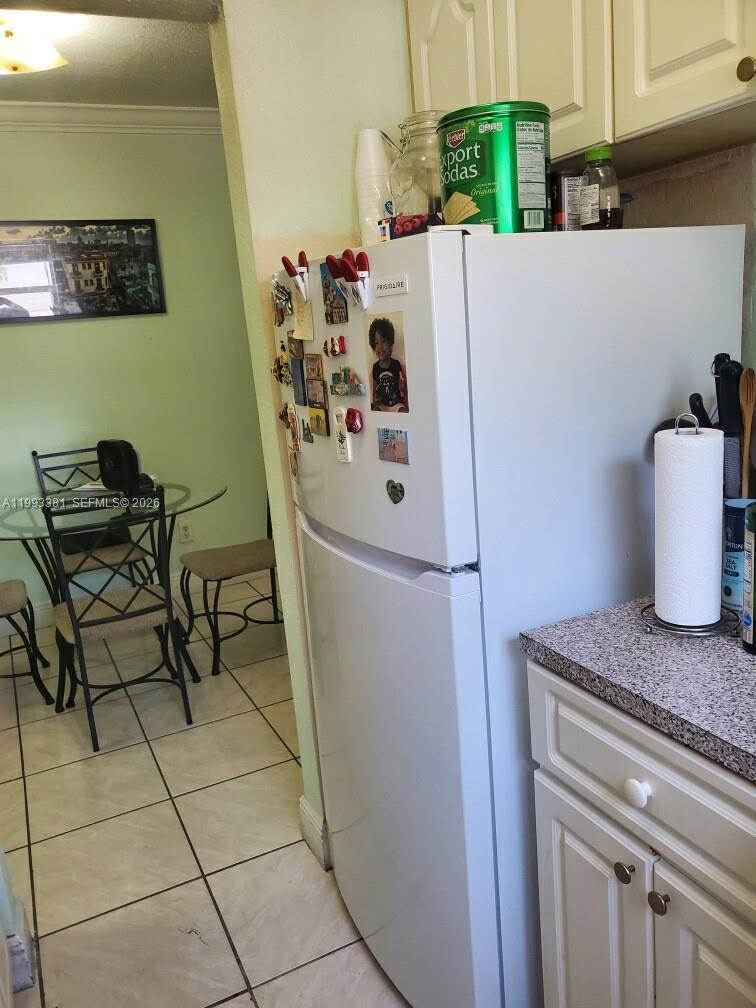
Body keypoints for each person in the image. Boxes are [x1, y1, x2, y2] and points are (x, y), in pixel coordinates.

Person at [368, 317, 408, 412]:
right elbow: (374, 394)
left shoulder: (396, 364)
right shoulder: (375, 368)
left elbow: (403, 393)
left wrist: (403, 387)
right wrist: (376, 401)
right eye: (376, 343)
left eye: (383, 341)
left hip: (396, 405)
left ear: (390, 344)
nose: (380, 347)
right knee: (375, 410)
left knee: (405, 411)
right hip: (382, 406)